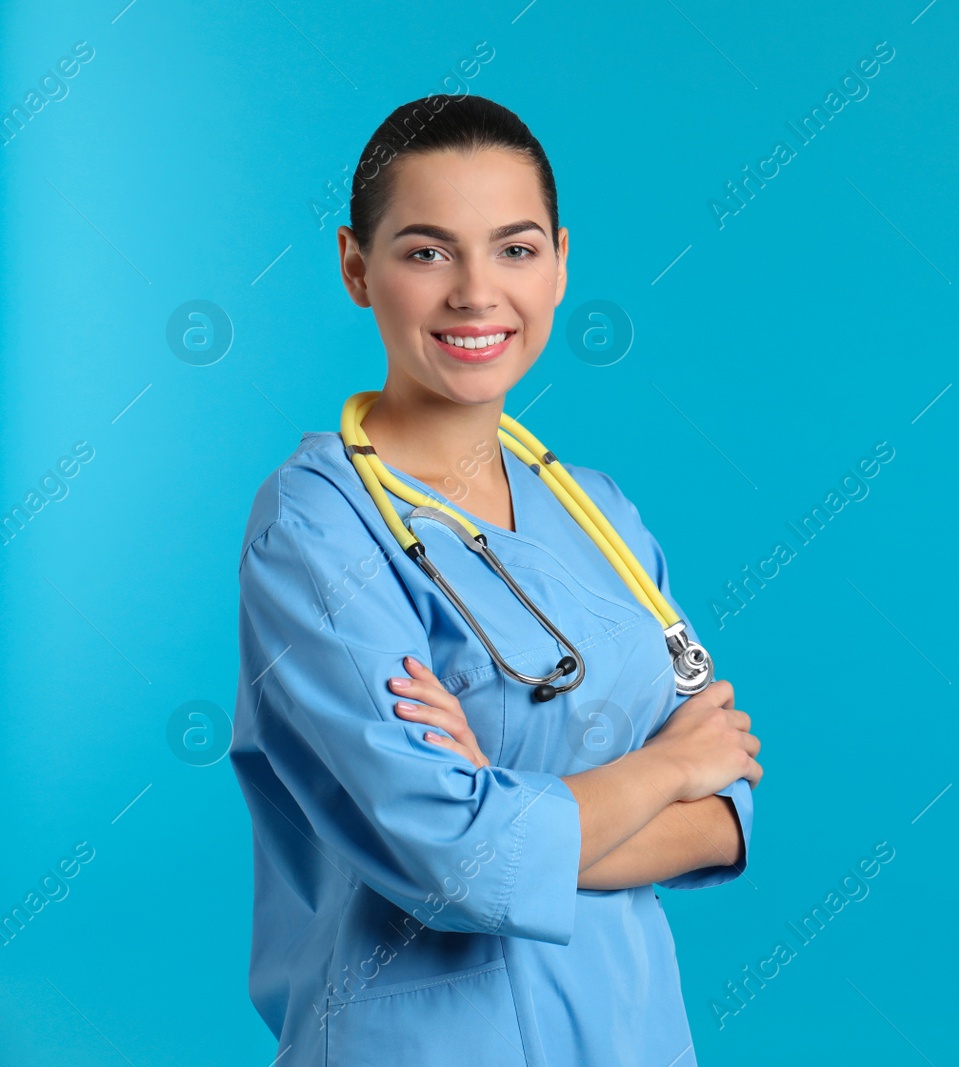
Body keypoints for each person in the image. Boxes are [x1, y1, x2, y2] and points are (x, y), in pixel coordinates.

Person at [229, 93, 761, 1067]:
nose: (476, 292)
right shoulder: (314, 524)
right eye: (426, 251)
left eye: (514, 249)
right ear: (356, 266)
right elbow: (460, 863)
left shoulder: (600, 513)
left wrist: (510, 805)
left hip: (632, 1031)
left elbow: (727, 819)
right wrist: (662, 771)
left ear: (560, 262)